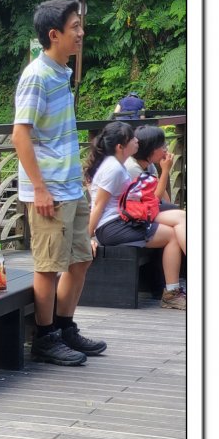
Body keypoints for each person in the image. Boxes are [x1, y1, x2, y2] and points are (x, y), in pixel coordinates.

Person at [13, 0, 105, 366]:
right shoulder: (37, 75)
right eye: (75, 28)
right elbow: (20, 135)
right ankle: (45, 337)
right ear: (54, 35)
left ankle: (65, 327)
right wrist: (39, 188)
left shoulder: (61, 72)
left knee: (81, 259)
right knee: (49, 265)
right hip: (49, 189)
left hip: (70, 185)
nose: (82, 33)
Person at [85, 121, 186, 310]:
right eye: (132, 139)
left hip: (125, 218)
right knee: (174, 231)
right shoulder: (114, 169)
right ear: (120, 146)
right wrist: (87, 237)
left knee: (178, 223)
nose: (136, 141)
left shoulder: (118, 165)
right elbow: (98, 205)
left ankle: (172, 292)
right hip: (113, 226)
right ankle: (172, 293)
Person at [126, 125, 179, 210]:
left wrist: (171, 208)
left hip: (142, 207)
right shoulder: (132, 168)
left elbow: (158, 188)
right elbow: (155, 199)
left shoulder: (149, 164)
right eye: (163, 147)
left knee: (174, 209)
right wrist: (165, 171)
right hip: (126, 215)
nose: (166, 150)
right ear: (150, 149)